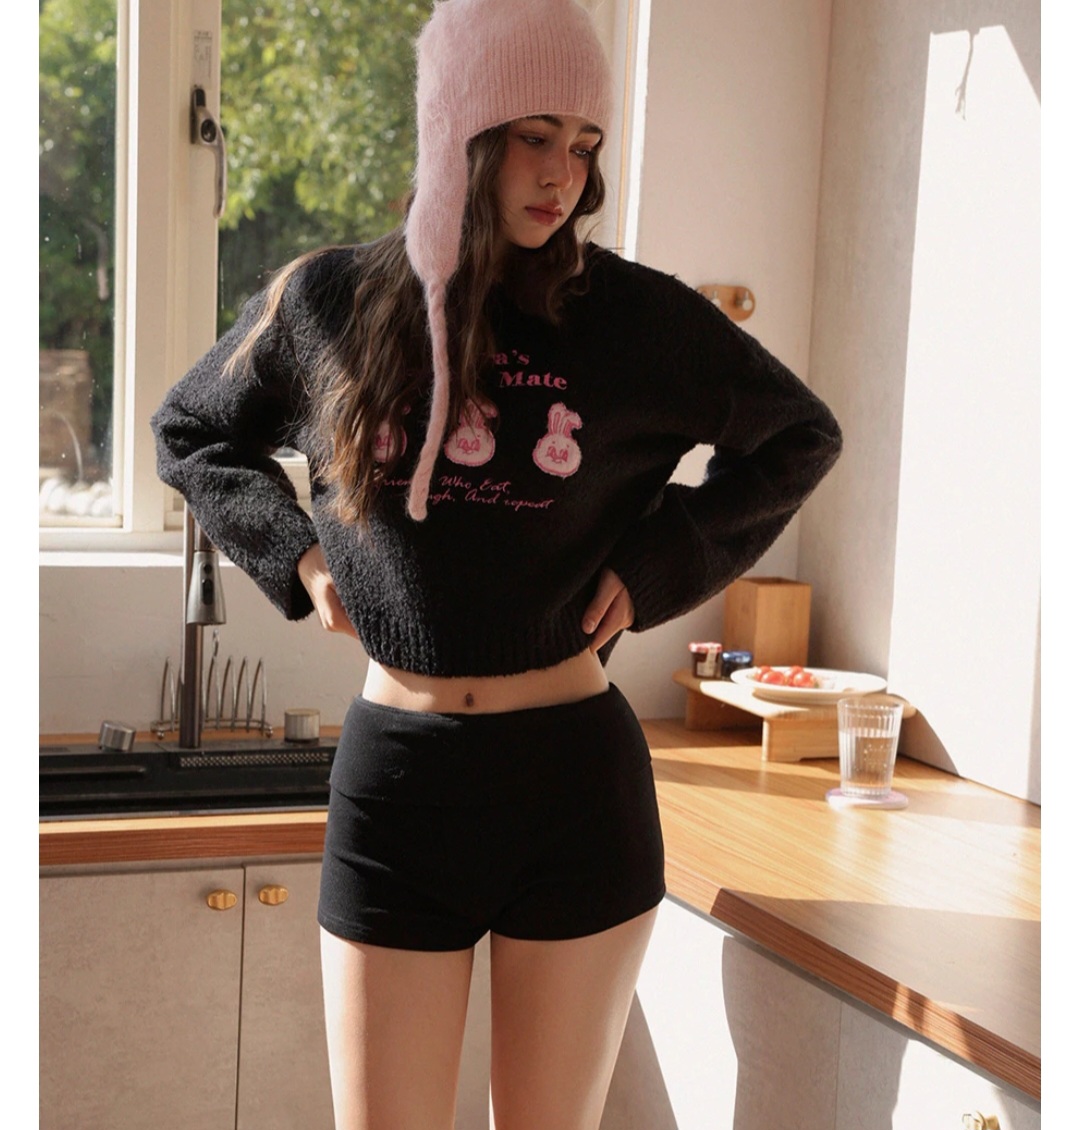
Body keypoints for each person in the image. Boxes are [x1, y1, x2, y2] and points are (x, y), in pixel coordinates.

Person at [151, 0, 843, 1126]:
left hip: (575, 788)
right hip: (398, 790)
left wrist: (661, 562)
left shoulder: (634, 319)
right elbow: (191, 428)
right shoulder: (330, 300)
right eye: (534, 135)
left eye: (585, 144)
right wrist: (302, 558)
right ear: (459, 132)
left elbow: (799, 435)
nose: (563, 173)